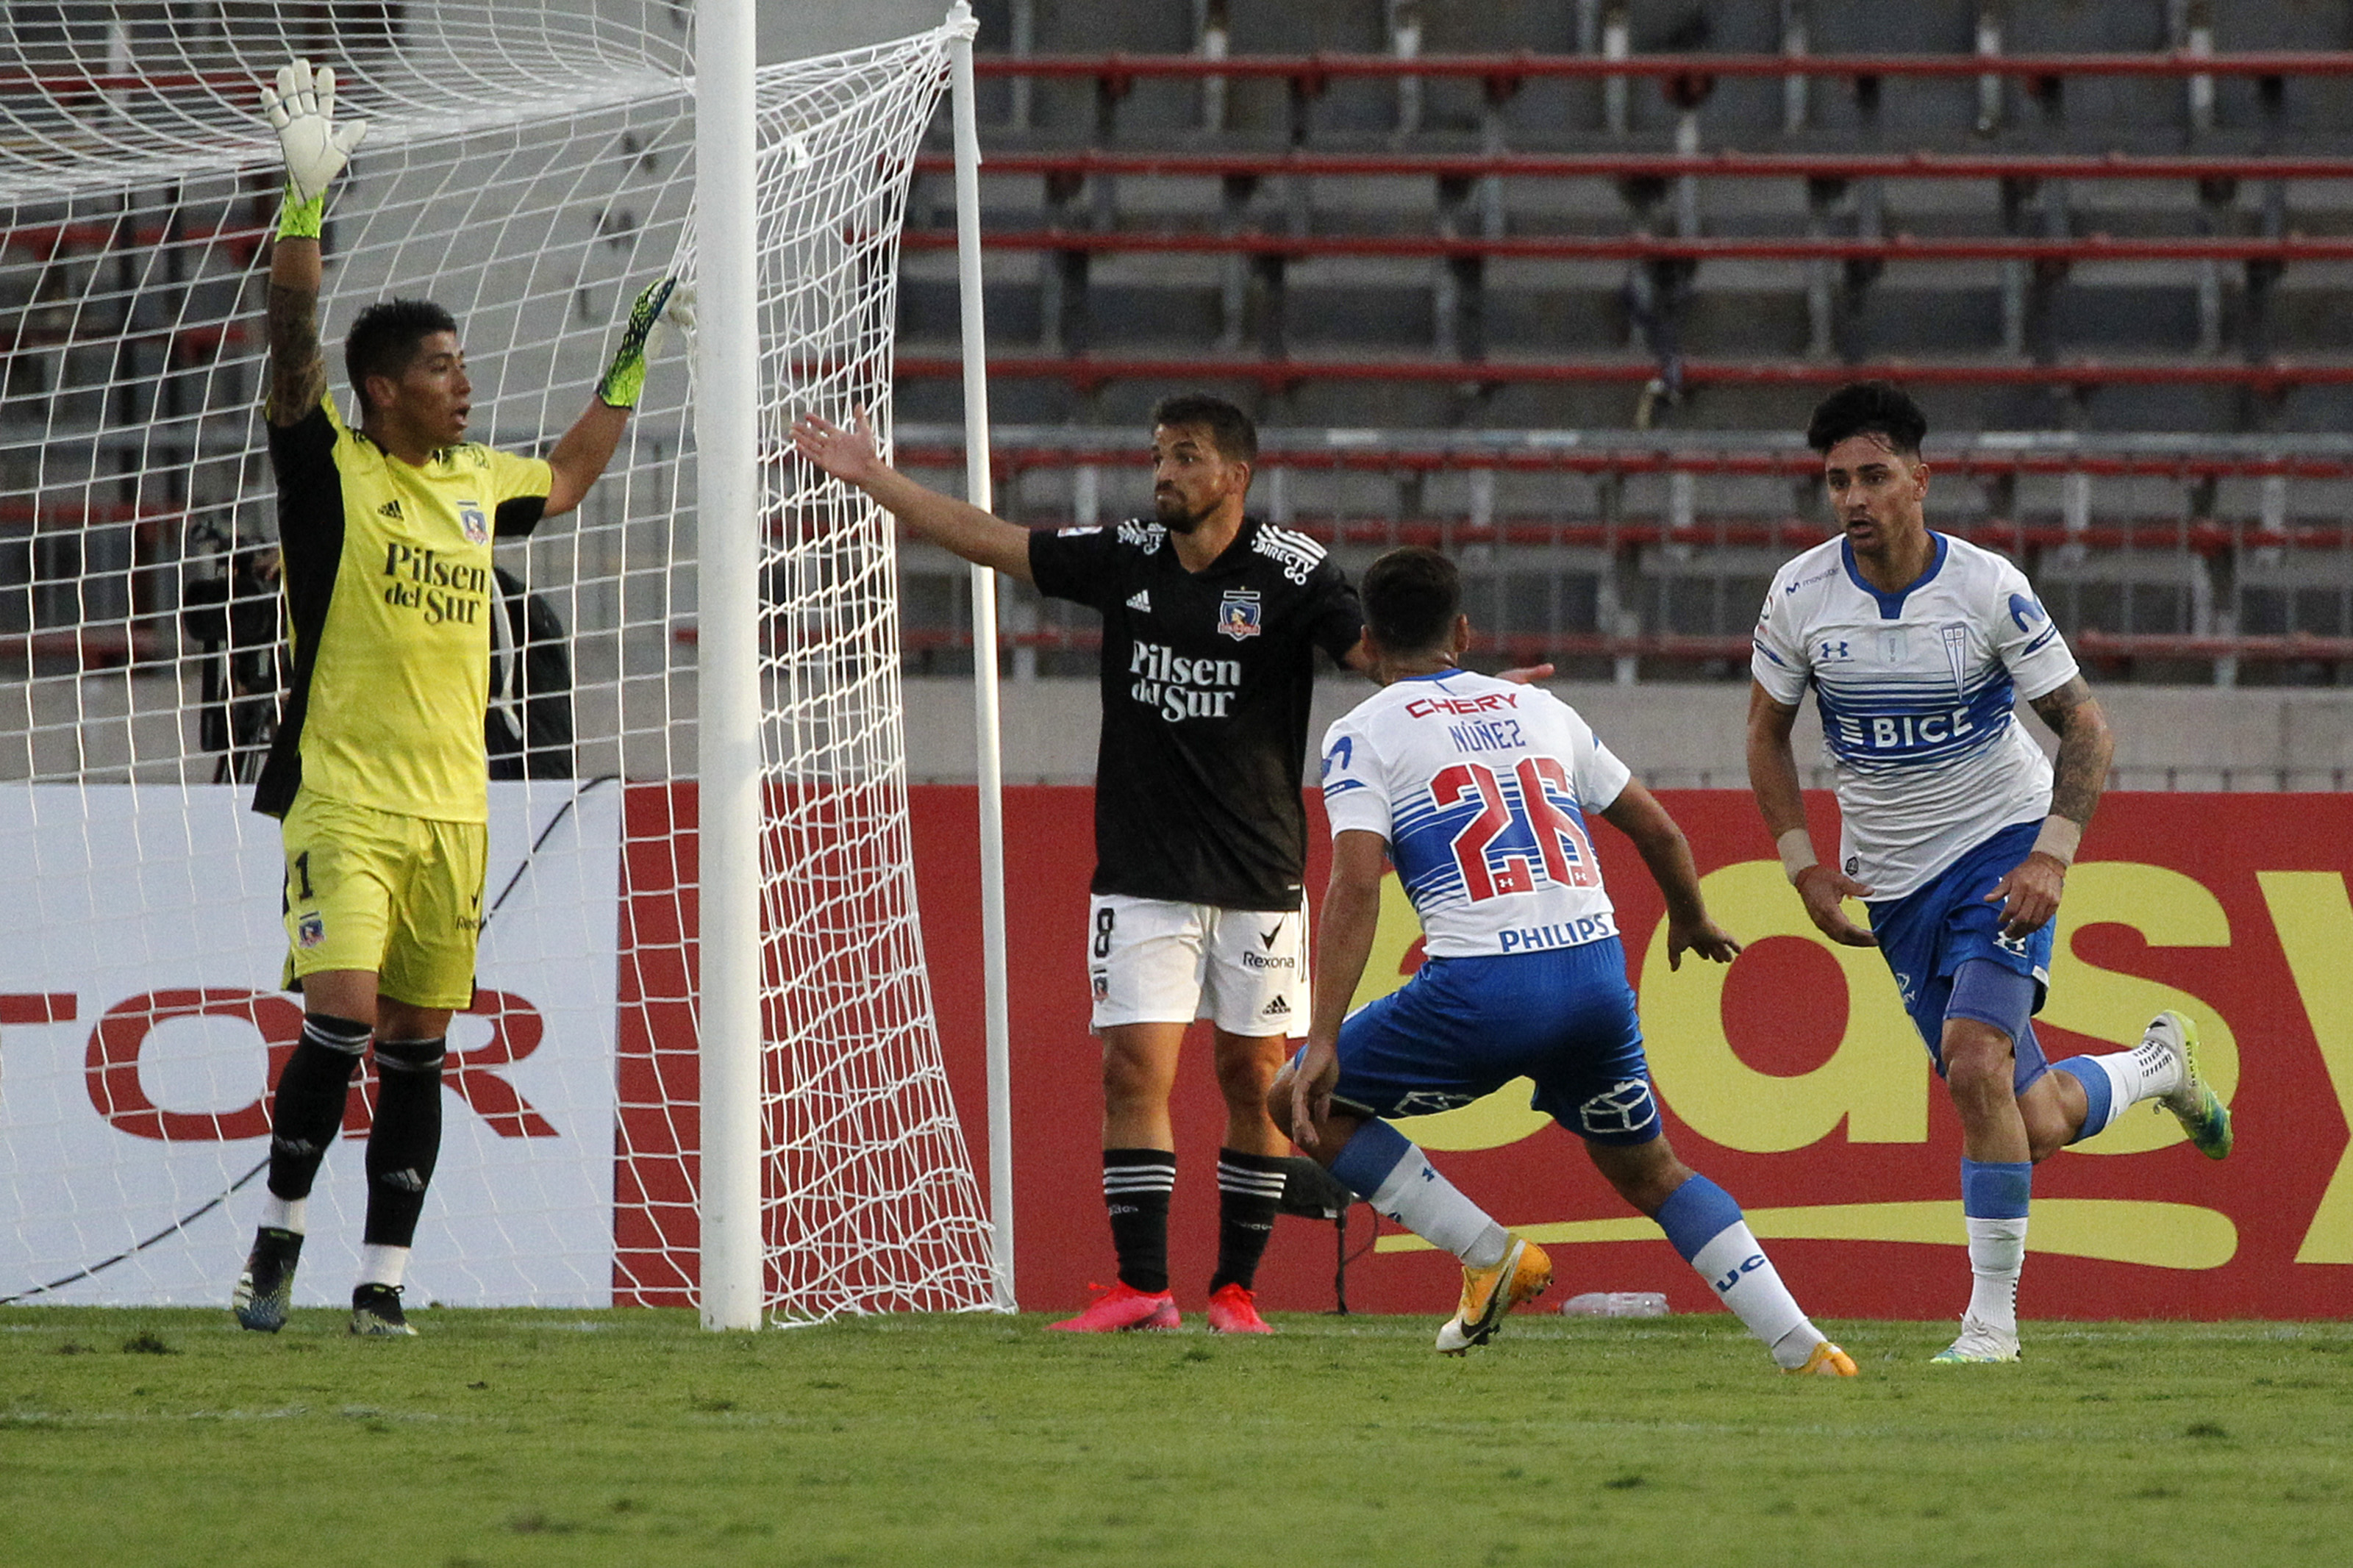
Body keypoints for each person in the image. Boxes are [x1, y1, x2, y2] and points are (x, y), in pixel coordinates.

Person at [230, 60, 676, 1336]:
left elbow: (576, 475)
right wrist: (303, 210)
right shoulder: (329, 473)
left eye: (461, 364)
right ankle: (280, 1234)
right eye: (441, 365)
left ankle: (381, 1283)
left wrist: (630, 362)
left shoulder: (479, 482)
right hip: (347, 797)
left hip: (455, 807)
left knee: (421, 1048)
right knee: (344, 1017)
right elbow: (289, 351)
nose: (463, 381)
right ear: (383, 390)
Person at [792, 395, 1370, 1334]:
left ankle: (1235, 1292)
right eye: (1157, 456)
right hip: (1141, 872)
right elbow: (994, 540)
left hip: (1261, 875)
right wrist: (875, 480)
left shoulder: (1291, 572)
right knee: (1133, 1071)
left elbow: (1373, 656)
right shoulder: (1128, 555)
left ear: (1235, 475)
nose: (1163, 473)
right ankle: (1144, 1288)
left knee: (1253, 1076)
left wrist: (1463, 691)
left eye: (1184, 457)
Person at [1746, 381, 2232, 1364]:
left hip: (2000, 843)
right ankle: (2155, 1068)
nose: (1853, 498)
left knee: (1974, 1059)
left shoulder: (1986, 590)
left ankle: (1991, 1327)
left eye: (1874, 476)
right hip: (1891, 880)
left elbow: (2086, 724)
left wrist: (2052, 850)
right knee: (2025, 1113)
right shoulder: (1801, 596)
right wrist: (1802, 866)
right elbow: (1765, 733)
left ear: (1921, 480)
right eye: (1836, 480)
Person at [1281, 546, 1856, 1375]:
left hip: (1480, 992)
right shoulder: (1537, 709)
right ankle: (1804, 1347)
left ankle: (1486, 1255)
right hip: (1592, 979)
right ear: (1465, 630)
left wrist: (1325, 1034)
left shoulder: (1358, 732)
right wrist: (1690, 918)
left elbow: (1354, 886)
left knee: (1293, 1096)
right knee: (1653, 1172)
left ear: (1366, 642)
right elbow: (1658, 830)